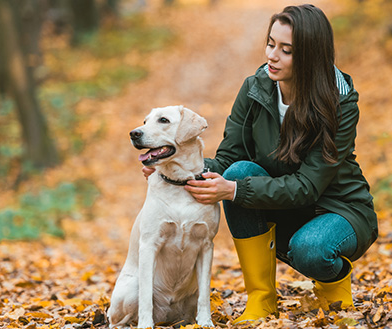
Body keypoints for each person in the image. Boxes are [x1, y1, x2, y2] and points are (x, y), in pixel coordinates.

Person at [143, 4, 377, 324]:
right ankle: (261, 298)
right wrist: (175, 166)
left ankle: (333, 283)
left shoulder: (338, 103)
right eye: (270, 44)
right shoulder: (255, 89)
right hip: (283, 205)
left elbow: (308, 186)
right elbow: (228, 158)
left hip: (339, 209)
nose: (272, 56)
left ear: (310, 56)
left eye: (287, 50)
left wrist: (233, 191)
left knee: (310, 248)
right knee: (238, 172)